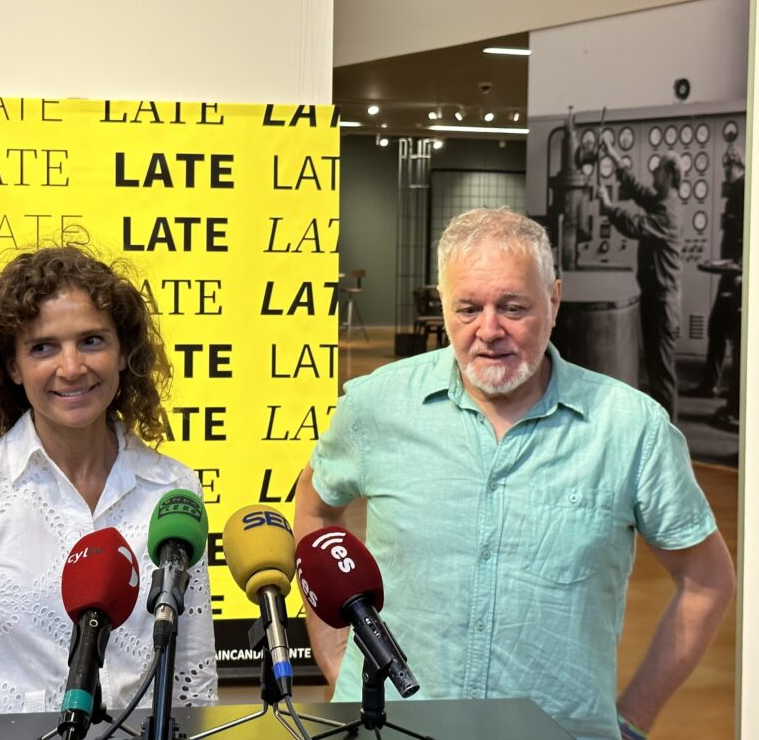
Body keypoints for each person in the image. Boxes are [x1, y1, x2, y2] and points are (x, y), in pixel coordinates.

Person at [294, 208, 735, 740]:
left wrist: (632, 720)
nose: (489, 330)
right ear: (442, 302)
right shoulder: (377, 406)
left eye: (512, 307)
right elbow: (315, 509)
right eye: (467, 308)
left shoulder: (630, 428)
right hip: (395, 728)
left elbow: (707, 580)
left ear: (553, 299)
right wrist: (339, 659)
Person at [0, 244, 218, 716]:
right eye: (43, 347)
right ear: (12, 367)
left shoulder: (174, 491)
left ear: (124, 353)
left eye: (91, 341)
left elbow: (191, 681)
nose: (71, 367)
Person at [598, 143, 682, 420]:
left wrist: (610, 208)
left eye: (656, 169)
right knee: (656, 368)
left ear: (668, 175)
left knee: (662, 372)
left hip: (662, 300)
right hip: (655, 296)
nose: (653, 174)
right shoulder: (663, 200)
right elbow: (638, 191)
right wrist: (613, 156)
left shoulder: (667, 211)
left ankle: (669, 432)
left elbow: (636, 226)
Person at [687, 145, 745, 424]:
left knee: (735, 340)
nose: (726, 170)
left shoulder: (744, 189)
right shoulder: (735, 190)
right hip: (730, 273)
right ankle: (711, 384)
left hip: (737, 279)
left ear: (741, 166)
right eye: (725, 165)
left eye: (730, 165)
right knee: (717, 328)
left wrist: (740, 266)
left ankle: (734, 407)